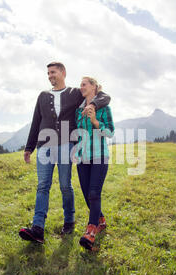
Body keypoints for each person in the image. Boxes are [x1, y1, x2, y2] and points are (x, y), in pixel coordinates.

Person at [19, 62, 111, 244]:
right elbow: (36, 121)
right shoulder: (43, 96)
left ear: (63, 73)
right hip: (45, 146)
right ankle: (38, 228)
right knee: (42, 185)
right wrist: (30, 147)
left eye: (53, 72)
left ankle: (69, 221)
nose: (49, 75)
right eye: (48, 73)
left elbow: (105, 96)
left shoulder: (75, 93)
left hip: (65, 145)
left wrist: (92, 104)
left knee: (64, 185)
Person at [74, 77, 114, 251]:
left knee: (93, 193)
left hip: (99, 156)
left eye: (84, 84)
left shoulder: (104, 109)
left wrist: (96, 122)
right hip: (82, 158)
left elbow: (110, 132)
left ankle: (91, 231)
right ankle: (101, 220)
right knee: (85, 194)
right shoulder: (78, 111)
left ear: (94, 87)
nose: (81, 87)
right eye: (80, 84)